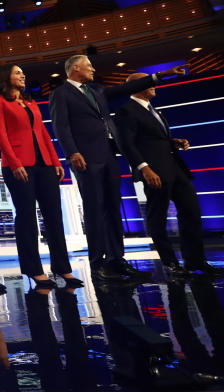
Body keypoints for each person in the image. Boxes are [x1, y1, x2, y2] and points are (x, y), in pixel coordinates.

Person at [49, 55, 184, 282]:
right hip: (85, 157)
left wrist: (161, 75)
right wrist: (72, 152)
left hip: (108, 155)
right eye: (88, 65)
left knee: (113, 207)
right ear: (75, 69)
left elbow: (128, 87)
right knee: (94, 209)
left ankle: (117, 260)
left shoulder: (96, 90)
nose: (93, 69)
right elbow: (60, 126)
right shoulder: (61, 94)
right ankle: (97, 263)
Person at [114, 73, 223, 279]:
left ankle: (195, 261)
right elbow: (127, 144)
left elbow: (153, 139)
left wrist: (174, 142)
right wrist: (144, 168)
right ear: (137, 86)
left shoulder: (153, 110)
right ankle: (171, 264)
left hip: (176, 169)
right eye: (149, 82)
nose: (154, 86)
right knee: (158, 218)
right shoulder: (126, 111)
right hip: (154, 172)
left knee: (191, 212)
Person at [0, 64, 82, 290]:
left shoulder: (31, 102)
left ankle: (62, 267)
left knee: (54, 216)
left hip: (44, 164)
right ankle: (34, 269)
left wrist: (55, 161)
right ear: (5, 77)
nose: (22, 75)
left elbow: (42, 132)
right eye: (17, 72)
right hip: (19, 165)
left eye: (23, 72)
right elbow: (0, 135)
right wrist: (14, 163)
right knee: (27, 217)